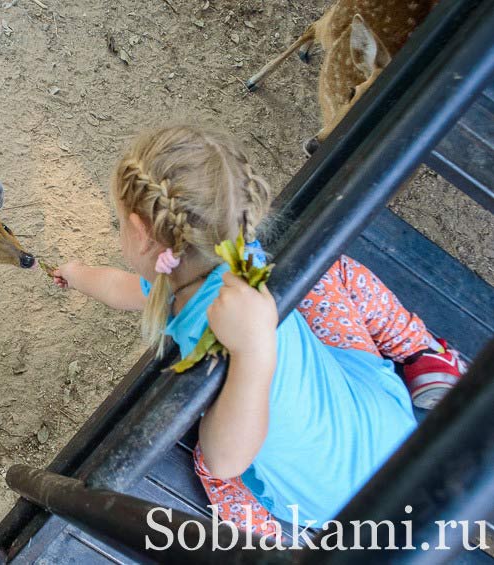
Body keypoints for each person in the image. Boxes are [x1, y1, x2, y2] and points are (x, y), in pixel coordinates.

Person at [51, 125, 464, 533]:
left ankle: (263, 540)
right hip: (393, 434)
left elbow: (225, 460)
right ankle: (422, 352)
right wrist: (78, 273)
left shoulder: (197, 315)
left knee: (209, 464)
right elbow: (128, 289)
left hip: (339, 508)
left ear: (141, 233)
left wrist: (254, 352)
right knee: (327, 273)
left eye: (118, 222)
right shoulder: (241, 255)